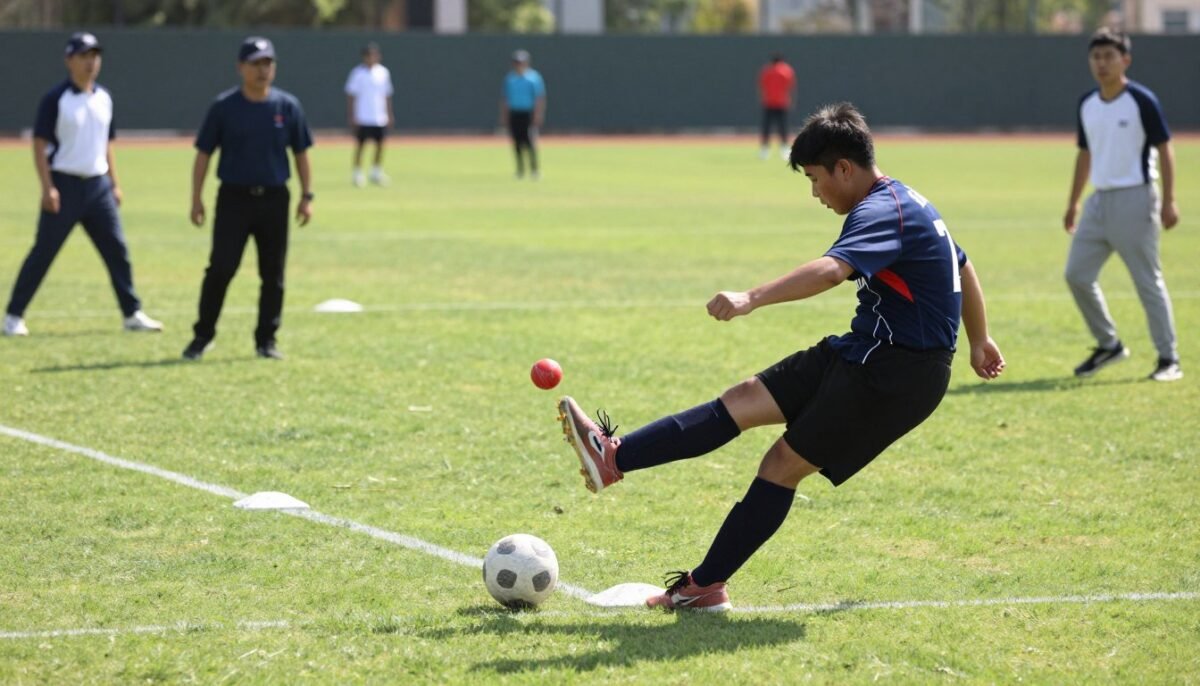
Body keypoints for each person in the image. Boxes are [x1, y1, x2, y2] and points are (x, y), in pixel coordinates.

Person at [558, 103, 1005, 612]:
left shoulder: (883, 209)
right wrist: (979, 339)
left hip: (895, 373)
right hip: (864, 349)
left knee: (781, 464)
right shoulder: (906, 200)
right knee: (743, 399)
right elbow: (962, 264)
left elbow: (833, 270)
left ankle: (704, 586)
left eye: (815, 179)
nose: (816, 193)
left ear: (844, 168)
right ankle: (613, 458)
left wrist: (752, 297)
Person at [3, 32, 162, 337]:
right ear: (69, 60)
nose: (91, 62)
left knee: (117, 250)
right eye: (84, 56)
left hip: (98, 187)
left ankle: (131, 313)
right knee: (44, 252)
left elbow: (107, 144)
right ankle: (13, 316)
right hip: (64, 185)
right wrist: (47, 187)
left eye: (95, 56)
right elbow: (39, 145)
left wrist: (115, 183)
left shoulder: (104, 98)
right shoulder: (55, 99)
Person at [183, 37, 314, 361]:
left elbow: (301, 153)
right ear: (241, 68)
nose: (262, 69)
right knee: (221, 268)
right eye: (255, 63)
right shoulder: (224, 107)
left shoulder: (287, 107)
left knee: (273, 273)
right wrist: (196, 198)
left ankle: (266, 340)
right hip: (234, 199)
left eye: (268, 63)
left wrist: (306, 195)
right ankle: (202, 335)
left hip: (274, 199)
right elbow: (203, 154)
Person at [1063, 28, 1182, 382]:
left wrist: (1170, 199)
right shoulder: (1087, 103)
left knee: (1148, 282)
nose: (1101, 63)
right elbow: (1085, 154)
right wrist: (1073, 202)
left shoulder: (1141, 99)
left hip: (1137, 197)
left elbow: (1165, 148)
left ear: (1124, 60)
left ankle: (1168, 358)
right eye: (1096, 57)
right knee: (1077, 275)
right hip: (1098, 202)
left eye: (1109, 56)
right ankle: (1109, 343)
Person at [345, 42, 394, 187]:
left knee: (380, 145)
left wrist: (389, 114)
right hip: (363, 116)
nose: (372, 57)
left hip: (379, 116)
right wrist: (352, 115)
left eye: (375, 54)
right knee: (361, 145)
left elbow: (387, 95)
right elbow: (351, 95)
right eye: (369, 55)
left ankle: (376, 172)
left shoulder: (383, 72)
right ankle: (357, 173)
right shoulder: (357, 73)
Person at [499, 50, 546, 180]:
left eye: (521, 62)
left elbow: (539, 98)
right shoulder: (510, 79)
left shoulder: (533, 78)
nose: (519, 65)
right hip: (515, 113)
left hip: (528, 113)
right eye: (516, 62)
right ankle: (520, 170)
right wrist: (504, 115)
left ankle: (534, 169)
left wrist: (538, 114)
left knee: (530, 141)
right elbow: (505, 99)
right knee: (517, 142)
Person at [758, 52, 796, 161]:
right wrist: (791, 100)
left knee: (766, 128)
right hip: (782, 104)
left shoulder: (766, 71)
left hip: (768, 103)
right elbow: (791, 88)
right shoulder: (787, 70)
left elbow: (761, 87)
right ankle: (784, 150)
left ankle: (764, 151)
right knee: (783, 128)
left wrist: (762, 99)